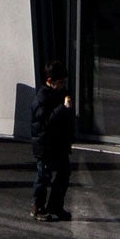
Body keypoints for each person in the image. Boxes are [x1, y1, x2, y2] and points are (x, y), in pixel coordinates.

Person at [28, 61, 75, 221]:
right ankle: (37, 207)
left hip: (58, 143)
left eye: (64, 82)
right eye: (60, 82)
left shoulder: (60, 93)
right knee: (44, 176)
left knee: (64, 173)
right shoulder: (42, 98)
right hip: (45, 143)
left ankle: (55, 205)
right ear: (50, 81)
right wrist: (63, 108)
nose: (63, 86)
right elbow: (45, 121)